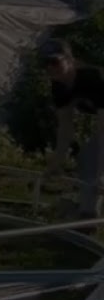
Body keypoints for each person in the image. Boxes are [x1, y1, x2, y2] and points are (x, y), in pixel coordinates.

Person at [42, 39, 104, 218]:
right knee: (87, 160)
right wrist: (56, 163)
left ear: (69, 59)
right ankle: (88, 215)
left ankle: (88, 214)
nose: (50, 67)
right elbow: (65, 128)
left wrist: (101, 175)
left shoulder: (94, 78)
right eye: (45, 63)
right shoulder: (59, 85)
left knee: (93, 160)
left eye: (55, 61)